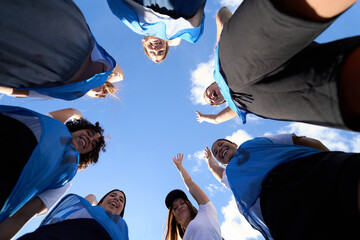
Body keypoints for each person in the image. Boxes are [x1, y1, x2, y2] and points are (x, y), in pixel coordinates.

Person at [196, 1, 360, 132]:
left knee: (282, 16)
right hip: (259, 100)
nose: (210, 98)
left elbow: (222, 13)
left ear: (211, 83)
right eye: (212, 102)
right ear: (221, 101)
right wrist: (204, 117)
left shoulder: (219, 59)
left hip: (233, 59)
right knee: (334, 92)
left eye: (207, 94)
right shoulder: (234, 108)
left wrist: (221, 39)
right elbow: (217, 120)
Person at [205, 133, 360, 239]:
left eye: (220, 144)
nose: (219, 149)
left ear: (233, 143)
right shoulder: (230, 175)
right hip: (279, 206)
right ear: (221, 162)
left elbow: (299, 140)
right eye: (216, 152)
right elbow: (214, 170)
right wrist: (209, 159)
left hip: (304, 168)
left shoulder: (255, 143)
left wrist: (331, 161)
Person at [0, 105, 106, 238]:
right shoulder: (51, 126)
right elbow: (69, 112)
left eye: (93, 144)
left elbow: (21, 216)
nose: (90, 139)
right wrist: (75, 113)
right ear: (78, 128)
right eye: (89, 133)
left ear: (87, 154)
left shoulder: (65, 178)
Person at [0, 0, 124, 101]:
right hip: (70, 32)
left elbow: (18, 92)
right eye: (105, 92)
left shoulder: (68, 93)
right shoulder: (105, 66)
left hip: (34, 60)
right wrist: (103, 82)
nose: (101, 95)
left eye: (100, 96)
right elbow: (120, 75)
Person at [2, 190, 129, 240]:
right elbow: (89, 199)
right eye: (112, 195)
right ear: (101, 202)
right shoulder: (86, 208)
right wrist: (94, 200)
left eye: (121, 200)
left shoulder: (122, 229)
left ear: (121, 211)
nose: (116, 199)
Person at [106, 0, 207, 63]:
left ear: (144, 43)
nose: (156, 49)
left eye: (152, 52)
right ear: (167, 44)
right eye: (161, 51)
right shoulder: (181, 31)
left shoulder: (137, 25)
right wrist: (174, 38)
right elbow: (198, 13)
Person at [164, 153, 222, 240]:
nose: (180, 207)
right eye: (175, 208)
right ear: (174, 218)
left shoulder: (206, 212)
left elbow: (190, 183)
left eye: (182, 203)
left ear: (189, 205)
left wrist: (180, 167)